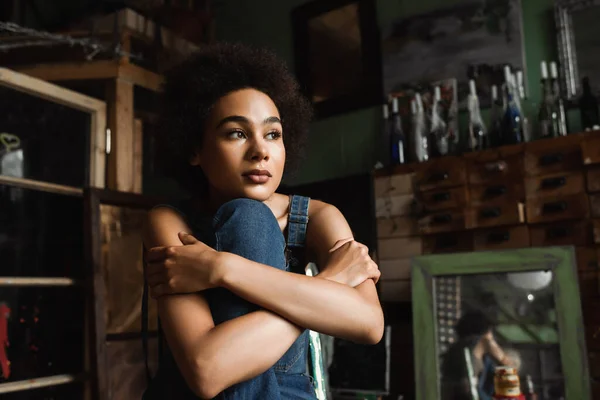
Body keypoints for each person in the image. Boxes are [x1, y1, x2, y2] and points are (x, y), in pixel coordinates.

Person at [141, 42, 384, 399]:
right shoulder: (169, 221)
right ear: (194, 149)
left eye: (273, 134)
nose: (261, 151)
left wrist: (223, 269)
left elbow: (369, 323)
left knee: (248, 218)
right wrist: (331, 282)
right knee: (248, 219)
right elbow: (208, 371)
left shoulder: (318, 217)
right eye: (236, 133)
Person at [440, 311, 520, 400]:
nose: (493, 339)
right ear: (485, 334)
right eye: (490, 332)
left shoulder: (481, 357)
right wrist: (502, 358)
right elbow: (507, 364)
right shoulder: (468, 354)